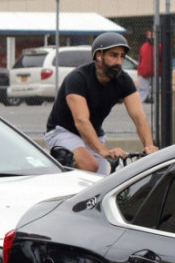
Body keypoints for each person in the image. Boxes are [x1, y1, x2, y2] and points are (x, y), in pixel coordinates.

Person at [45, 32, 158, 174]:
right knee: (90, 165)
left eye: (122, 56)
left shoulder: (123, 80)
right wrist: (104, 152)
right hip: (63, 131)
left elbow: (139, 117)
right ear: (99, 56)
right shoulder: (78, 78)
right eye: (113, 55)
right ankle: (58, 176)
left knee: (102, 182)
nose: (119, 61)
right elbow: (81, 121)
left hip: (93, 135)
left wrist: (149, 146)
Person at [137, 29, 155, 103]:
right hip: (145, 71)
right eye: (149, 35)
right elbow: (141, 59)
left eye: (151, 35)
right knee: (143, 90)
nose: (150, 37)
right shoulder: (144, 46)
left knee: (155, 90)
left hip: (155, 72)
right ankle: (139, 105)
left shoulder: (159, 46)